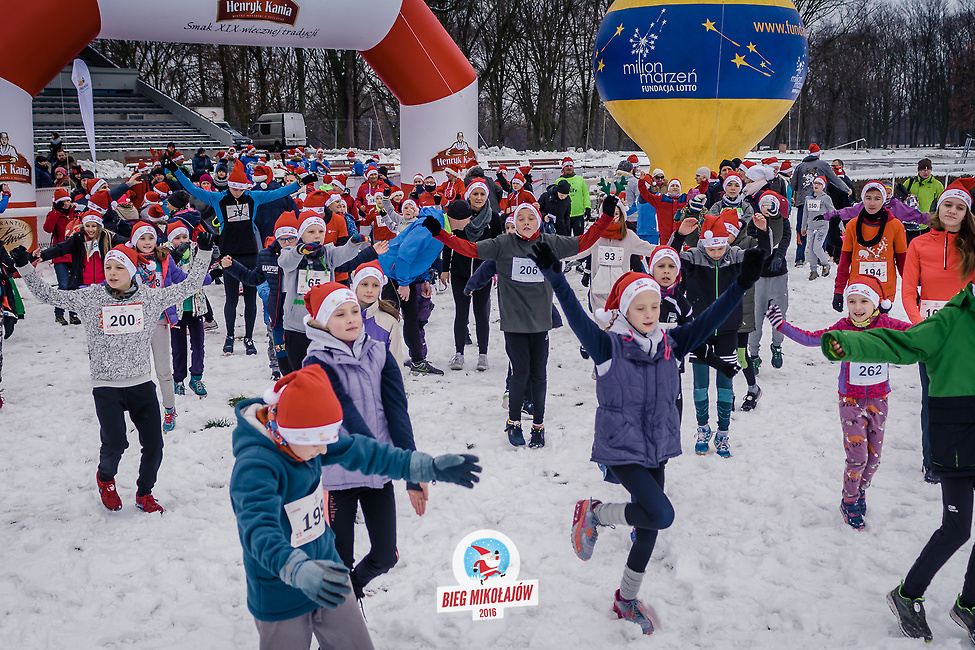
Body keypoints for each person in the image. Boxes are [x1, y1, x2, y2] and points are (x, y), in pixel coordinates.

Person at [530, 239, 764, 635]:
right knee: (662, 514)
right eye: (641, 308)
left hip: (657, 447)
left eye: (654, 307)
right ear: (624, 310)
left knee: (650, 527)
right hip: (622, 449)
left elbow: (710, 318)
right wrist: (555, 275)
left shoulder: (671, 344)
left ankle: (625, 599)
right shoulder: (607, 346)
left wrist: (742, 283)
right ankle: (596, 514)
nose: (650, 314)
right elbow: (574, 313)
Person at [229, 363, 481, 650]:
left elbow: (362, 450)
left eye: (327, 440)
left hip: (328, 570)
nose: (324, 451)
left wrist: (422, 466)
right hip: (281, 589)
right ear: (290, 433)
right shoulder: (255, 467)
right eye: (317, 443)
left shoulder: (306, 438)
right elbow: (258, 532)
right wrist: (296, 569)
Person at [11, 233, 213, 513]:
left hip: (141, 383)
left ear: (131, 271)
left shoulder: (150, 298)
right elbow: (49, 295)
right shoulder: (91, 298)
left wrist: (204, 253)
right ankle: (105, 479)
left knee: (154, 445)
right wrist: (24, 267)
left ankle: (145, 493)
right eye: (108, 267)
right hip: (106, 386)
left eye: (119, 268)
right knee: (116, 442)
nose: (112, 273)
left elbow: (189, 285)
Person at [821, 280, 975, 644]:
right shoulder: (952, 319)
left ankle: (969, 604)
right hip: (957, 435)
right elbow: (901, 343)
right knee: (957, 529)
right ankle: (907, 595)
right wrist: (849, 342)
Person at [426, 196, 615, 448]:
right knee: (520, 372)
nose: (526, 222)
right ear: (514, 222)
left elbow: (584, 241)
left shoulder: (550, 243)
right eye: (521, 219)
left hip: (540, 322)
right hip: (514, 323)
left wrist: (606, 217)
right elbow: (470, 249)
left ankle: (538, 425)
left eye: (531, 218)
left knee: (539, 375)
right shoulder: (503, 244)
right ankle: (514, 422)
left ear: (538, 222)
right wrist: (440, 234)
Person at [301, 282, 426, 602]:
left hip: (377, 475)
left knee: (386, 556)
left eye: (354, 311)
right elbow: (344, 412)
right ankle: (344, 614)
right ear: (323, 322)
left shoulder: (379, 353)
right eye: (340, 314)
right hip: (337, 477)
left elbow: (397, 413)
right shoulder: (316, 363)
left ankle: (352, 589)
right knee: (338, 562)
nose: (351, 319)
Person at [766, 276, 911, 529]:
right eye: (852, 301)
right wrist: (782, 326)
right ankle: (849, 500)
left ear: (875, 303)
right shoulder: (842, 328)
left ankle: (859, 490)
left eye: (864, 301)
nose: (857, 307)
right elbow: (811, 338)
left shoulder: (886, 325)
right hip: (851, 402)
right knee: (857, 457)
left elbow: (916, 334)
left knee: (874, 459)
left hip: (879, 400)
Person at [171, 160, 302, 356]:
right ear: (229, 186)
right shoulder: (218, 198)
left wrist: (298, 184)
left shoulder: (253, 197)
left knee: (250, 299)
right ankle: (230, 336)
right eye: (234, 188)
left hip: (250, 252)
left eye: (241, 189)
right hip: (229, 253)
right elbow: (193, 189)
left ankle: (249, 338)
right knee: (231, 298)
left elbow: (277, 193)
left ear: (246, 188)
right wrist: (177, 171)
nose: (238, 192)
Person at [670, 209, 770, 457]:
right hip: (699, 331)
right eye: (711, 249)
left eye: (720, 248)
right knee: (700, 386)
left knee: (725, 384)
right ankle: (703, 429)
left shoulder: (735, 256)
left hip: (728, 331)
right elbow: (668, 259)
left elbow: (762, 257)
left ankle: (723, 433)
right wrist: (679, 235)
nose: (716, 253)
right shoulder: (693, 257)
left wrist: (763, 232)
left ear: (727, 242)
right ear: (704, 244)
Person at [901, 181, 975, 483]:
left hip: (965, 335)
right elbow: (909, 292)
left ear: (966, 213)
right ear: (939, 207)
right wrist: (922, 326)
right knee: (933, 399)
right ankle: (933, 460)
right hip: (931, 334)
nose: (952, 211)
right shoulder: (918, 244)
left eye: (959, 207)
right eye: (948, 205)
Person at [278, 211, 383, 371]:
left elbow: (343, 254)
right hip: (296, 326)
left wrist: (352, 244)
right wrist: (301, 250)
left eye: (321, 231)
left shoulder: (328, 252)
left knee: (325, 371)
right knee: (300, 371)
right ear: (301, 235)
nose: (317, 235)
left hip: (324, 325)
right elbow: (285, 262)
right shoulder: (291, 252)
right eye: (311, 231)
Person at [222, 212, 300, 378]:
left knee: (299, 357)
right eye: (283, 239)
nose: (287, 243)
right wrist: (232, 266)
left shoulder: (305, 255)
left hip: (300, 313)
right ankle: (278, 372)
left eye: (291, 239)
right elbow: (253, 278)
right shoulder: (267, 255)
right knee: (282, 359)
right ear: (277, 238)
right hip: (277, 311)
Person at [441, 180, 503, 371]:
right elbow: (448, 242)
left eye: (482, 194)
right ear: (469, 196)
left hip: (482, 274)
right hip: (460, 272)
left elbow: (499, 246)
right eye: (475, 194)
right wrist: (445, 268)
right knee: (461, 312)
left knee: (481, 313)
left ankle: (483, 355)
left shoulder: (493, 218)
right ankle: (459, 353)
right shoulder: (460, 215)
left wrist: (497, 270)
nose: (479, 198)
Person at [832, 181, 908, 313]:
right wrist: (838, 290)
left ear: (884, 200)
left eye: (877, 199)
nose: (872, 203)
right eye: (868, 198)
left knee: (879, 326)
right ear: (863, 199)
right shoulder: (852, 226)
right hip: (858, 290)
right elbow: (844, 262)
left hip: (884, 291)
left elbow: (903, 263)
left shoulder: (896, 226)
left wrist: (912, 288)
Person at [747, 191, 791, 370]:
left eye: (770, 204)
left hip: (778, 276)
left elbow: (785, 239)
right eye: (764, 204)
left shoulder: (783, 221)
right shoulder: (754, 221)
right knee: (756, 318)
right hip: (758, 277)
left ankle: (777, 346)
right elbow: (752, 241)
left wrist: (779, 256)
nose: (767, 208)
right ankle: (754, 354)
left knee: (779, 315)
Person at [790, 143, 852, 266]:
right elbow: (835, 179)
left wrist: (803, 190)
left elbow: (793, 185)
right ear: (818, 154)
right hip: (820, 202)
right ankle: (820, 256)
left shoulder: (800, 166)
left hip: (803, 201)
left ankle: (800, 258)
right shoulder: (823, 165)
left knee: (801, 228)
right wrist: (846, 189)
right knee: (821, 228)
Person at [166, 222, 208, 397]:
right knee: (178, 347)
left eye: (185, 237)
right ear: (170, 240)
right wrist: (175, 256)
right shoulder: (165, 254)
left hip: (195, 306)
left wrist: (211, 257)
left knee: (198, 345)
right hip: (176, 309)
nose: (182, 241)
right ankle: (178, 379)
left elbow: (202, 270)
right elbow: (168, 275)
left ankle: (196, 377)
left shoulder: (195, 251)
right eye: (177, 238)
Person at [350, 261, 403, 367]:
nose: (369, 290)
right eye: (364, 284)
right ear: (356, 286)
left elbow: (396, 363)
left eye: (375, 285)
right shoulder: (341, 318)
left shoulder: (389, 322)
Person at [43, 188, 80, 325]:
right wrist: (56, 212)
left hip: (75, 255)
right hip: (60, 256)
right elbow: (47, 228)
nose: (65, 204)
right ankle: (59, 314)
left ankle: (73, 313)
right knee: (63, 286)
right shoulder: (54, 214)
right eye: (62, 201)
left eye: (67, 200)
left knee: (74, 286)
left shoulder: (76, 214)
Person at [802, 176, 836, 279]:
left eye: (819, 184)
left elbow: (833, 212)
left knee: (817, 247)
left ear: (823, 186)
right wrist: (803, 227)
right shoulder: (808, 198)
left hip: (822, 227)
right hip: (811, 228)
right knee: (810, 249)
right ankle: (813, 271)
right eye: (815, 183)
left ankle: (825, 264)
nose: (816, 185)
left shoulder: (826, 198)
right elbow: (805, 214)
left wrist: (840, 226)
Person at [560, 157, 590, 237]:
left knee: (579, 239)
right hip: (565, 216)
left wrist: (588, 207)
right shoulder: (559, 181)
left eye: (570, 166)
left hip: (578, 215)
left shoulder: (580, 179)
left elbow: (585, 194)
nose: (569, 167)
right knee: (565, 240)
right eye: (566, 166)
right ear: (563, 168)